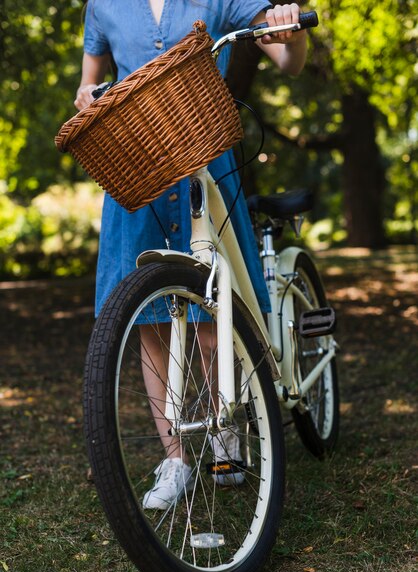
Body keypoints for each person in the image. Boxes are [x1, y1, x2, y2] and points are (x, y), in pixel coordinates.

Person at [75, 1, 307, 509]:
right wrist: (89, 99)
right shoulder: (103, 6)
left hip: (205, 161)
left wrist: (290, 32)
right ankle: (175, 458)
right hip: (134, 169)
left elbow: (287, 56)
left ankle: (228, 429)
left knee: (214, 312)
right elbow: (86, 86)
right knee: (151, 322)